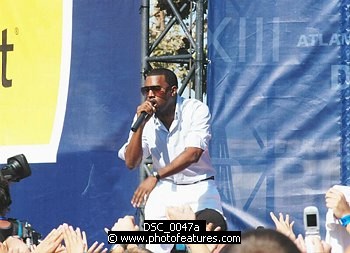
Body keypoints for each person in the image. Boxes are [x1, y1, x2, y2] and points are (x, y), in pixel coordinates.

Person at [118, 68, 223, 253]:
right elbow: (131, 162)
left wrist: (156, 176)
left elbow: (193, 153)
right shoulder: (144, 118)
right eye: (146, 90)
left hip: (199, 187)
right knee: (156, 247)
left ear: (173, 90)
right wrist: (140, 127)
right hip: (165, 189)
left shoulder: (195, 109)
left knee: (213, 238)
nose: (150, 95)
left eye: (157, 89)